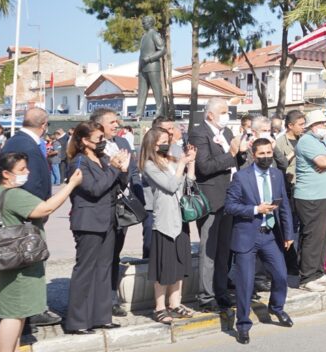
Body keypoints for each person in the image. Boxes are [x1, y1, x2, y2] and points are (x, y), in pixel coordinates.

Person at [0, 152, 83, 352]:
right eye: (22, 170)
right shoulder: (13, 195)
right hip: (18, 262)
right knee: (13, 312)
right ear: (6, 174)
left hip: (12, 259)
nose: (27, 173)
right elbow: (45, 208)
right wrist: (70, 186)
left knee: (18, 311)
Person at [225, 138, 295, 344]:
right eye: (261, 154)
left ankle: (276, 308)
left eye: (268, 153)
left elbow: (284, 207)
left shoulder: (277, 175)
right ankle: (243, 324)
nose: (266, 157)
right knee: (245, 283)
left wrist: (289, 234)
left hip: (270, 234)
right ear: (253, 155)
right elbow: (230, 206)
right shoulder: (241, 177)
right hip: (247, 235)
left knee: (281, 275)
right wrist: (256, 209)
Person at [63, 121, 130, 334]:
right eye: (99, 139)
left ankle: (102, 316)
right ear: (84, 141)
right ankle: (78, 321)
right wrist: (114, 168)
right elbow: (95, 188)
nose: (103, 142)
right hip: (89, 222)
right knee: (85, 270)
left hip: (108, 220)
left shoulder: (102, 159)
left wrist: (123, 170)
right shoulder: (79, 162)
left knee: (103, 268)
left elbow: (116, 184)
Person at [0, 107, 61, 328]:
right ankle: (29, 313)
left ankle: (30, 311)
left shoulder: (20, 140)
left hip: (27, 212)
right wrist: (38, 209)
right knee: (29, 264)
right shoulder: (25, 145)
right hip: (26, 216)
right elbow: (30, 182)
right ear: (44, 125)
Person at [189, 98, 245, 312]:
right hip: (212, 198)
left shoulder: (228, 133)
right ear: (210, 114)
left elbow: (235, 162)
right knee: (209, 250)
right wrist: (231, 153)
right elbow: (204, 167)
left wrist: (240, 152)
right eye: (223, 111)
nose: (226, 115)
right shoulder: (199, 133)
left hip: (230, 197)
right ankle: (206, 296)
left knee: (224, 250)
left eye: (227, 111)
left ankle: (221, 291)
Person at [141, 126, 197, 325]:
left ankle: (175, 302)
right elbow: (171, 185)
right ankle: (159, 306)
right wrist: (181, 163)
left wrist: (190, 162)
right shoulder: (150, 165)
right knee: (164, 265)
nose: (167, 144)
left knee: (179, 263)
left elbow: (188, 183)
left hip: (180, 217)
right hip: (164, 220)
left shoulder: (173, 160)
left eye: (168, 140)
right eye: (162, 140)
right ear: (152, 143)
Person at [91, 108, 142, 317]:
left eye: (117, 121)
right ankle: (96, 298)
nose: (116, 125)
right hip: (101, 207)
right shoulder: (93, 146)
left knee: (114, 254)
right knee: (98, 256)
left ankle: (111, 296)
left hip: (122, 207)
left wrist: (134, 190)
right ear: (99, 124)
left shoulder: (122, 143)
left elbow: (134, 171)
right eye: (112, 122)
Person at [293, 109, 326, 292]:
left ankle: (318, 271)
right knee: (312, 237)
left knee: (322, 237)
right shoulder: (306, 141)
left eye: (324, 123)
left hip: (323, 194)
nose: (324, 126)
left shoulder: (322, 141)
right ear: (312, 126)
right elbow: (322, 162)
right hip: (310, 196)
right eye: (320, 124)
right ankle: (307, 277)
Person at [273, 110, 306, 197]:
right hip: (289, 186)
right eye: (300, 124)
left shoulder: (305, 140)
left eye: (304, 124)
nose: (303, 127)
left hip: (305, 183)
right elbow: (278, 165)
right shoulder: (279, 142)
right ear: (290, 125)